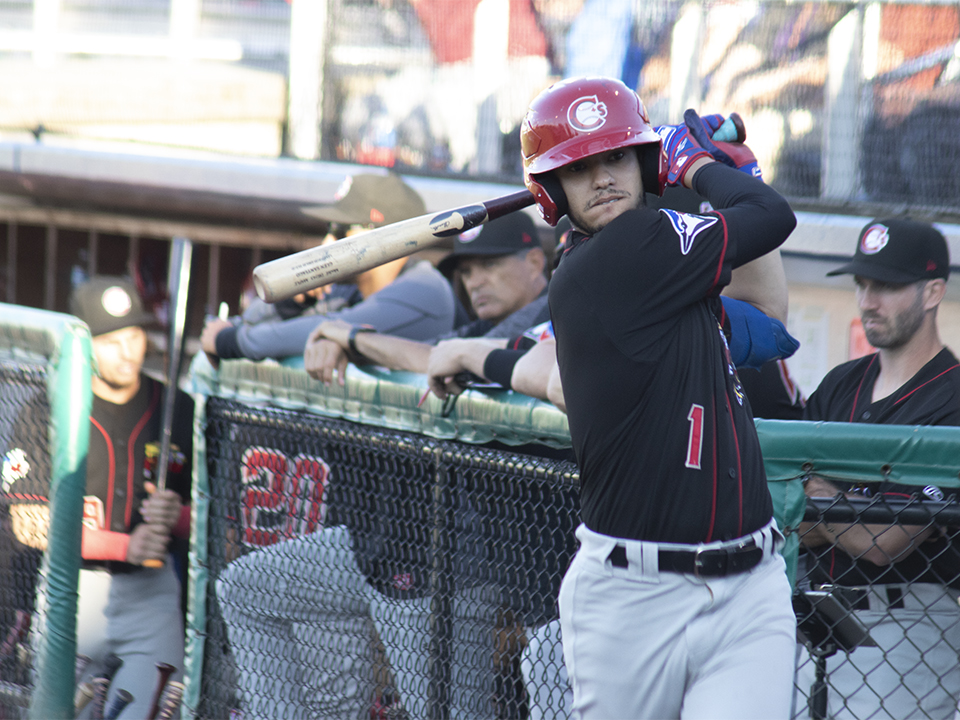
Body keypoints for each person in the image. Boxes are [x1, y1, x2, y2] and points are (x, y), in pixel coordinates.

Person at [518, 76, 798, 718]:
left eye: (616, 156)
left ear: (640, 161)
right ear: (553, 190)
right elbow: (772, 216)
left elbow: (765, 320)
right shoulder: (620, 258)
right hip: (634, 600)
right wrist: (699, 164)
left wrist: (730, 171)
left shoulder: (669, 274)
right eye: (579, 168)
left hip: (750, 587)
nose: (602, 178)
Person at [5, 276, 192, 719]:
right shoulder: (46, 409)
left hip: (152, 595)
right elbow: (28, 522)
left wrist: (178, 518)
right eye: (111, 341)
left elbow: (217, 524)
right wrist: (123, 543)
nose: (127, 352)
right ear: (83, 344)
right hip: (75, 589)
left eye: (134, 335)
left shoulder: (179, 409)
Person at [796, 217, 960, 720]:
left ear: (933, 292)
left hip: (909, 619)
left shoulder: (951, 396)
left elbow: (886, 542)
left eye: (886, 286)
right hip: (813, 616)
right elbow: (782, 507)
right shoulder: (840, 383)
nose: (868, 300)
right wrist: (848, 511)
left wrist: (818, 501)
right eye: (863, 284)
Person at [200, 173, 460, 362]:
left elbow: (330, 328)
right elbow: (248, 321)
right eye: (329, 230)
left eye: (341, 230)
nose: (327, 244)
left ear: (388, 237)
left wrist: (230, 342)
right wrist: (289, 303)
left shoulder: (424, 287)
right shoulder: (350, 293)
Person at [303, 211, 550, 384]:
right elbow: (438, 351)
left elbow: (440, 359)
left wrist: (350, 336)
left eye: (490, 265)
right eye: (466, 272)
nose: (474, 282)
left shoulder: (549, 313)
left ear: (534, 263)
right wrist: (341, 345)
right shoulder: (488, 324)